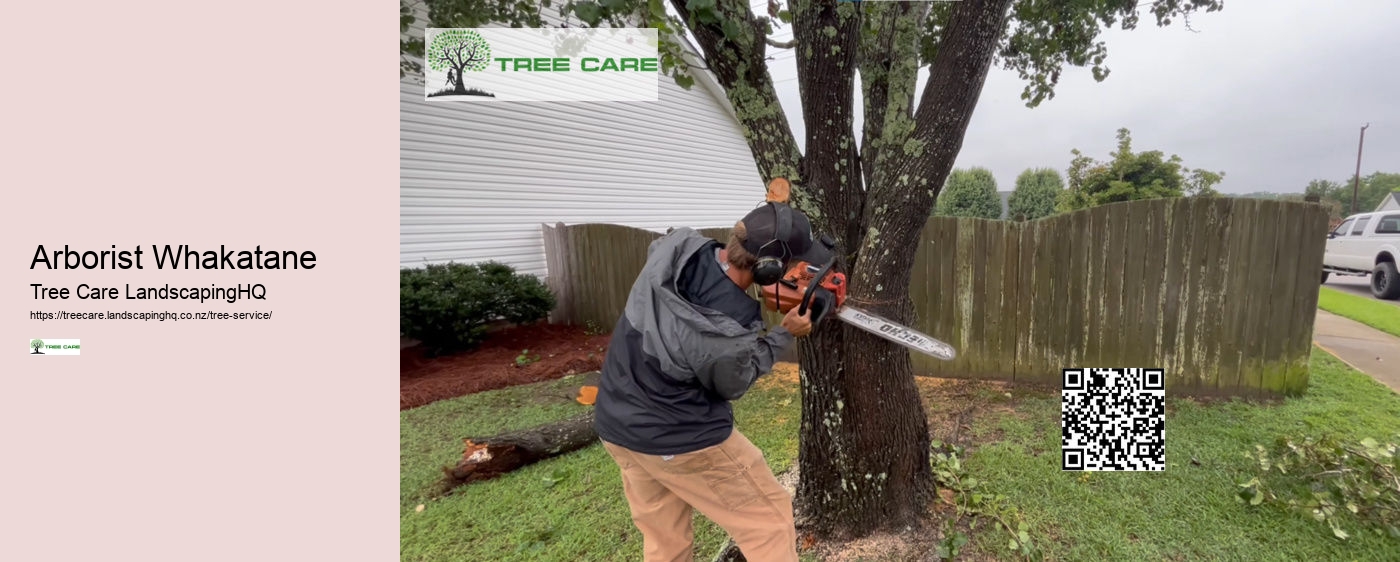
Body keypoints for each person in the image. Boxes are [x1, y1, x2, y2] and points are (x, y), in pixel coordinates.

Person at [593, 196, 832, 562]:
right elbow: (733, 383)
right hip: (679, 436)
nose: (797, 270)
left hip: (617, 425)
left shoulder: (679, 247)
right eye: (792, 265)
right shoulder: (728, 331)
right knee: (768, 522)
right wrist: (784, 334)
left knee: (665, 540)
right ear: (769, 271)